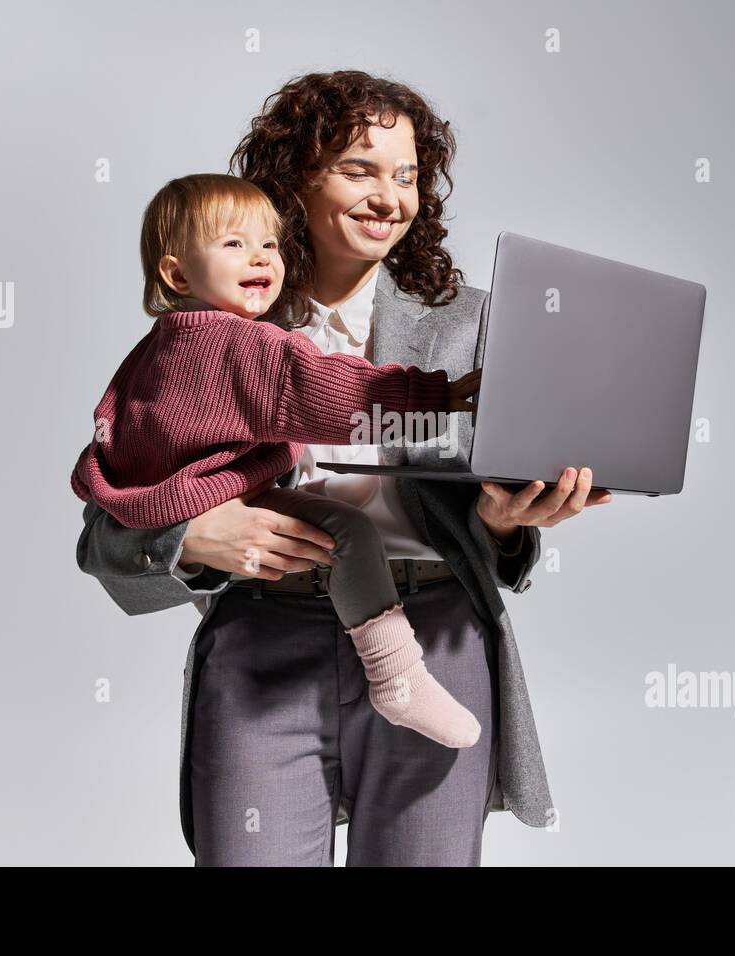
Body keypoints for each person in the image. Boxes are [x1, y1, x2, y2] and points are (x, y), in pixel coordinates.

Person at [75, 70, 611, 865]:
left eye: (407, 175)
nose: (389, 196)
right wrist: (192, 535)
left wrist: (504, 524)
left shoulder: (475, 324)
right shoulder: (212, 327)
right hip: (262, 644)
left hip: (435, 644)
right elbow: (107, 533)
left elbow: (491, 517)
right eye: (359, 169)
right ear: (293, 178)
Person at [71, 172, 484, 749]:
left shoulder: (154, 347)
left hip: (169, 497)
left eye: (269, 243)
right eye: (234, 244)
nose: (261, 257)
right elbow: (327, 391)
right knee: (349, 529)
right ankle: (399, 675)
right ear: (176, 273)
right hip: (224, 525)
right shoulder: (251, 344)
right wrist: (431, 396)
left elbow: (113, 433)